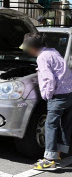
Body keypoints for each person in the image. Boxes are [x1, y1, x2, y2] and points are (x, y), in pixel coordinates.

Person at [22, 33, 72, 170]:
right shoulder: (53, 52)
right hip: (69, 93)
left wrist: (47, 96)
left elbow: (49, 79)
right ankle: (59, 153)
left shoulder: (42, 57)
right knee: (64, 125)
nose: (27, 51)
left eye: (27, 48)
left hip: (57, 96)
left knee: (50, 126)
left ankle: (49, 159)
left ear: (33, 47)